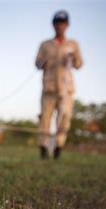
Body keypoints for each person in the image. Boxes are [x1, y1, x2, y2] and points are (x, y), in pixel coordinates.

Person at [35, 10, 83, 159]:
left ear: (67, 25)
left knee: (64, 119)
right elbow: (37, 63)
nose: (60, 26)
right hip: (49, 88)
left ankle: (58, 148)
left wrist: (74, 57)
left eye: (62, 23)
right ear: (53, 25)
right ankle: (43, 149)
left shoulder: (73, 44)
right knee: (45, 119)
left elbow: (79, 64)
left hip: (66, 89)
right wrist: (44, 62)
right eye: (57, 23)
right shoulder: (45, 45)